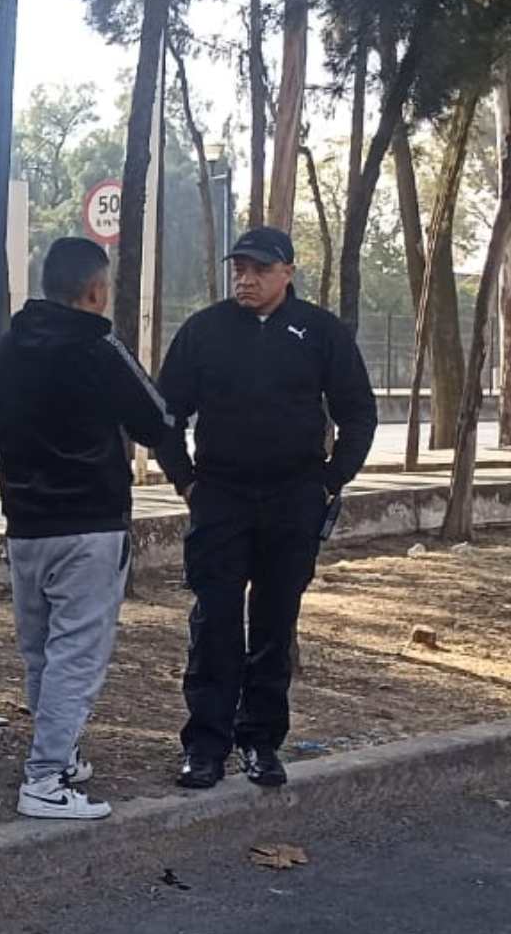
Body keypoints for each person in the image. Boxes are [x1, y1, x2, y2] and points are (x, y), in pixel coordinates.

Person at [156, 226, 378, 790]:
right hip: (221, 496)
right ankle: (205, 745)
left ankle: (261, 741)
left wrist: (330, 482)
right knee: (214, 622)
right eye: (240, 269)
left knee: (275, 624)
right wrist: (185, 482)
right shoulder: (205, 331)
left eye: (259, 270)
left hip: (292, 498)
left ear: (287, 273)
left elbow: (358, 414)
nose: (246, 280)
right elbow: (165, 415)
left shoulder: (320, 332)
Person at [0, 237, 174, 819]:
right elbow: (157, 418)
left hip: (24, 522)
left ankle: (59, 755)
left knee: (41, 649)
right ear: (95, 291)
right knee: (78, 652)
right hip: (90, 523)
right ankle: (45, 779)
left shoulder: (10, 344)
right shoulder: (99, 345)